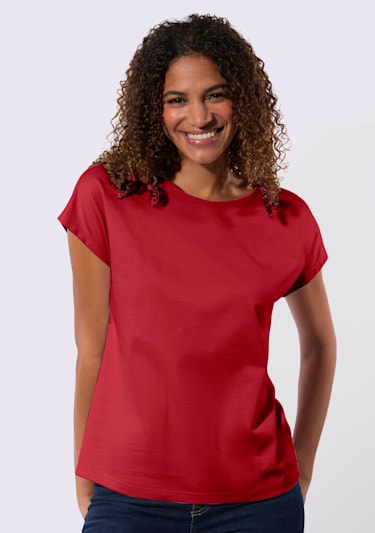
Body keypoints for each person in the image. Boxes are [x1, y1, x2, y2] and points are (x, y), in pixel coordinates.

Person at [59, 13, 336, 532]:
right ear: (154, 108)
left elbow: (319, 344)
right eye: (177, 100)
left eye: (215, 95)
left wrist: (302, 469)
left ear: (242, 101)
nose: (199, 117)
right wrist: (83, 475)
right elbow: (90, 347)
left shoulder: (286, 218)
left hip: (258, 502)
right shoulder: (107, 195)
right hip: (128, 497)